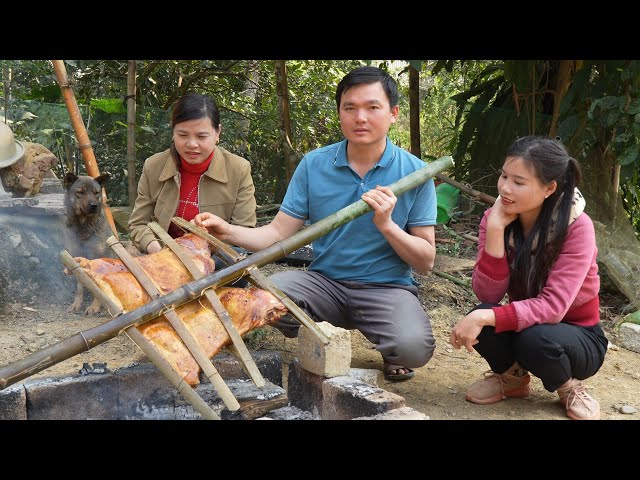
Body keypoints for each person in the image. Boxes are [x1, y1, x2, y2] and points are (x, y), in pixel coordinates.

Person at [195, 66, 438, 382]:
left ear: (393, 114)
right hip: (325, 284)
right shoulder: (315, 164)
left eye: (372, 107)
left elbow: (426, 261)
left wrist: (387, 225)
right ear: (339, 113)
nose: (360, 117)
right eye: (350, 108)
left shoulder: (415, 173)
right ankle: (319, 334)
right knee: (266, 294)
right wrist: (227, 231)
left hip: (387, 287)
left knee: (413, 348)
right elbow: (279, 232)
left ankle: (391, 349)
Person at [449, 136, 607, 420]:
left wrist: (485, 318)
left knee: (533, 337)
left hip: (578, 336)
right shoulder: (496, 217)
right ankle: (513, 378)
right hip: (527, 324)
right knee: (483, 313)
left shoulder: (577, 226)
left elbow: (554, 307)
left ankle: (568, 387)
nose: (505, 188)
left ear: (549, 188)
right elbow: (488, 295)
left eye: (518, 182)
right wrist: (496, 231)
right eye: (504, 176)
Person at [128, 92, 256, 279]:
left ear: (217, 133)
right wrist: (158, 250)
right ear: (173, 132)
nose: (192, 144)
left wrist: (203, 256)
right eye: (183, 135)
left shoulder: (238, 169)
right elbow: (138, 224)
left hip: (214, 263)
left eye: (201, 136)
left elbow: (243, 233)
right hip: (163, 260)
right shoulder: (154, 166)